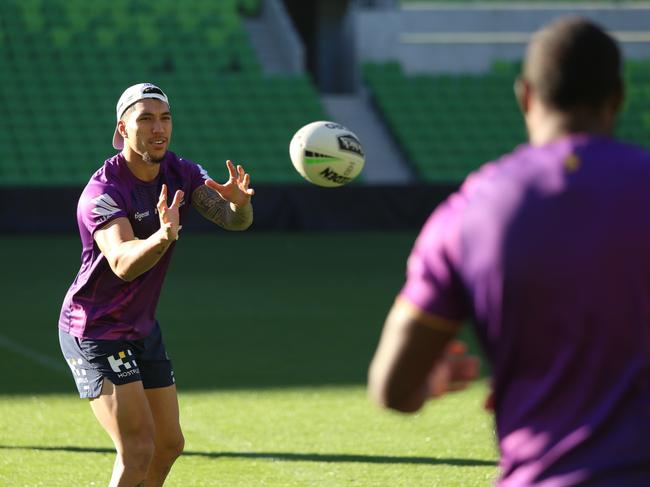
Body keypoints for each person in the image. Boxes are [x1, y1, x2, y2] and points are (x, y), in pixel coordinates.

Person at [369, 16, 650, 485]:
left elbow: (392, 387)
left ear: (525, 96)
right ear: (618, 97)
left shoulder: (469, 211)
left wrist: (429, 379)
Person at [58, 83, 254, 486]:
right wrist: (161, 237)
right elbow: (122, 262)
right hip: (95, 329)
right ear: (123, 129)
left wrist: (239, 204)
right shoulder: (103, 192)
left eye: (164, 118)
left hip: (140, 327)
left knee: (168, 444)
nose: (158, 128)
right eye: (145, 118)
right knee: (138, 450)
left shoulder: (179, 170)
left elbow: (234, 221)